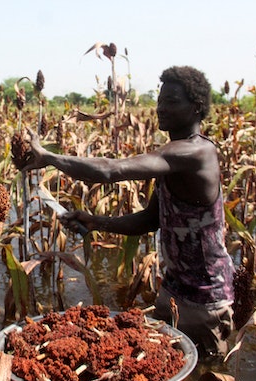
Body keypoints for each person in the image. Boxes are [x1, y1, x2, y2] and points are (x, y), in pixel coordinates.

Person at [24, 66, 235, 360]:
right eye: (160, 100)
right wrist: (95, 221)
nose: (161, 108)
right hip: (173, 288)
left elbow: (113, 170)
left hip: (205, 298)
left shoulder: (195, 153)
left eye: (172, 102)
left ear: (196, 108)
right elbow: (150, 220)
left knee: (204, 377)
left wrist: (49, 157)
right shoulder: (173, 155)